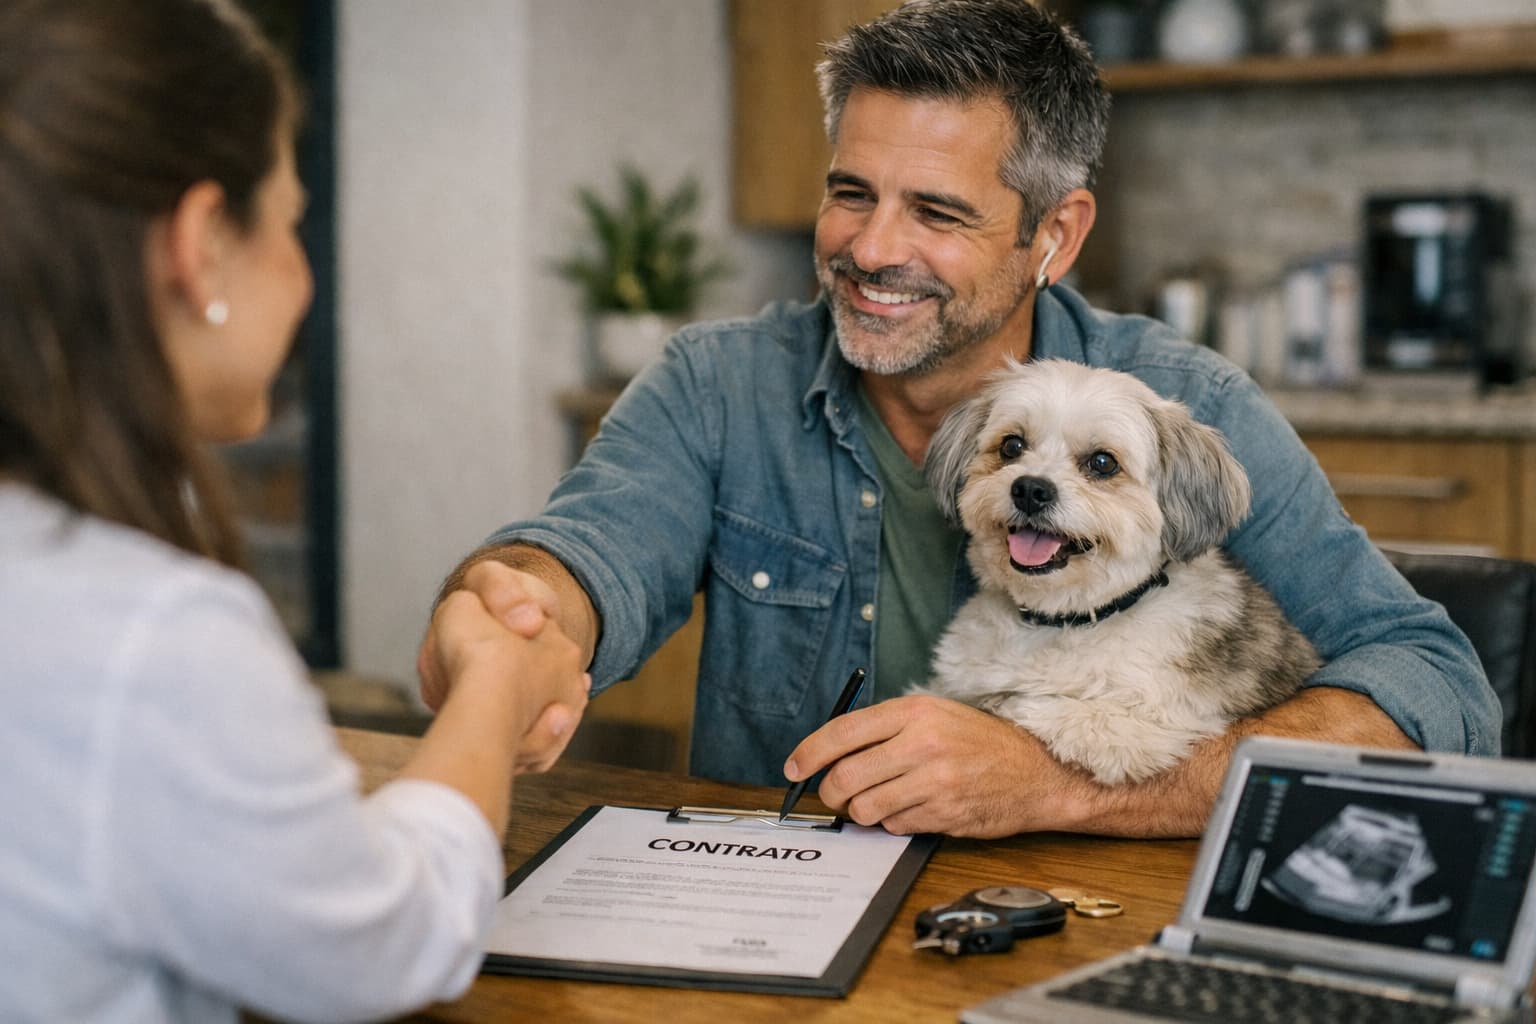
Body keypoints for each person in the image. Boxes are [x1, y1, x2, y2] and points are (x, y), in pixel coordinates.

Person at [419, 0, 1498, 840]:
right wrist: (519, 617)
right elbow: (586, 556)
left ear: (1054, 235)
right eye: (852, 192)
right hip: (777, 910)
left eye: (936, 211)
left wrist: (1064, 788)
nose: (872, 247)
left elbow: (1435, 689)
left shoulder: (1182, 406)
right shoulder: (719, 384)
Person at [0, 2, 589, 1021]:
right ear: (197, 245)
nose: (303, 271)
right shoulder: (152, 639)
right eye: (287, 217)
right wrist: (494, 686)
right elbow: (381, 945)